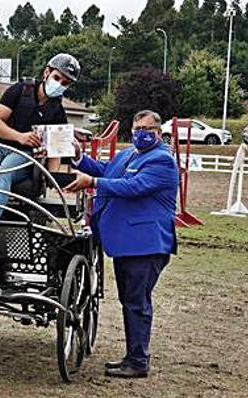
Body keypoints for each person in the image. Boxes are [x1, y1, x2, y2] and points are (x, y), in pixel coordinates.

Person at [65, 109, 179, 379]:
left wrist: (92, 182)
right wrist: (79, 158)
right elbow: (107, 170)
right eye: (137, 129)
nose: (140, 134)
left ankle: (139, 360)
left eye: (147, 130)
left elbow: (133, 186)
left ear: (158, 133)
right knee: (130, 300)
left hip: (146, 244)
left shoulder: (162, 161)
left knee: (137, 302)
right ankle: (133, 356)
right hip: (126, 243)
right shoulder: (128, 155)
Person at [0, 53, 80, 221]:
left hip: (24, 155)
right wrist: (19, 136)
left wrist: (52, 177)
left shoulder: (57, 112)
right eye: (57, 78)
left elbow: (55, 151)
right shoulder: (19, 90)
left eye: (65, 83)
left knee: (3, 173)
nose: (59, 85)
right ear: (46, 73)